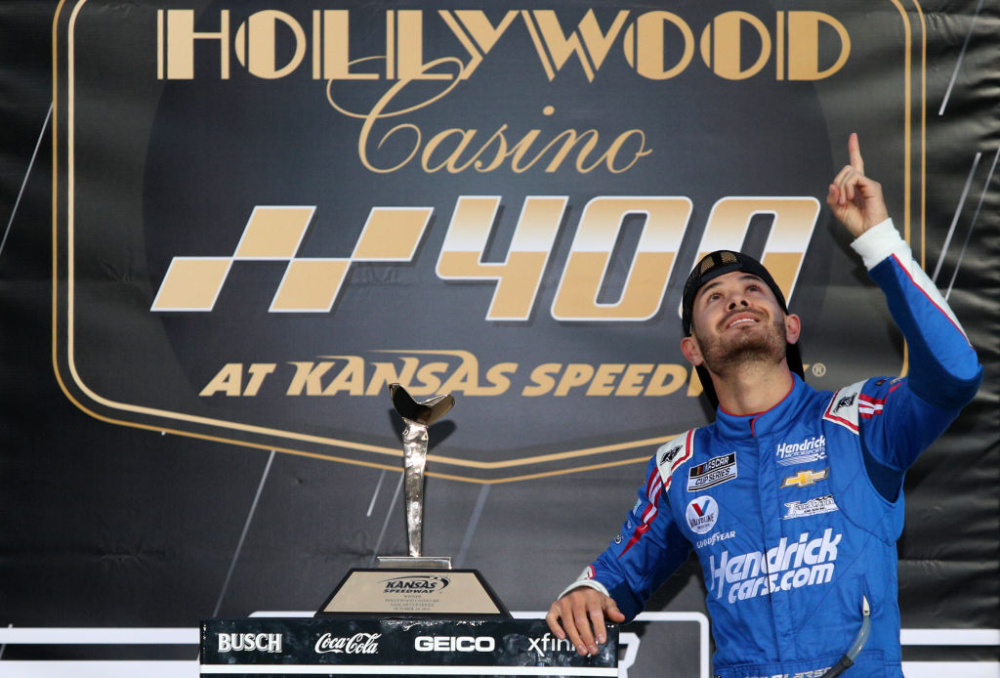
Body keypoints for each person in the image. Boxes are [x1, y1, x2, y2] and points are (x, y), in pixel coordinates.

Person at [545, 134, 983, 678]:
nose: (736, 298)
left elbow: (956, 373)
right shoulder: (681, 466)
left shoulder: (860, 419)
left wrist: (878, 239)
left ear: (790, 326)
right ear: (692, 350)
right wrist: (585, 592)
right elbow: (614, 580)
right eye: (713, 298)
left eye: (753, 289)